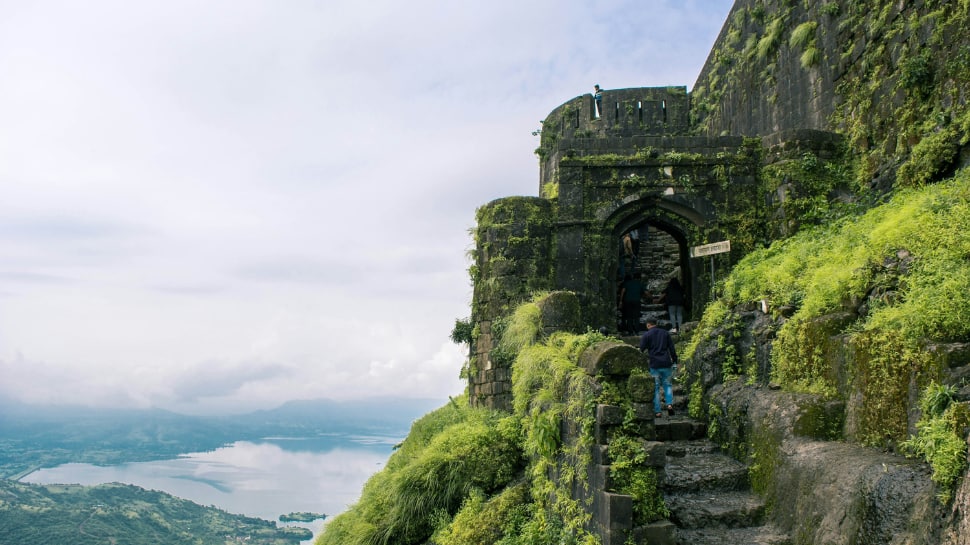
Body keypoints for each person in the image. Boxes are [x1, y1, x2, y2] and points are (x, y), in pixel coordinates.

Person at [639, 318, 678, 417]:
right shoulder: (665, 333)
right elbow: (672, 348)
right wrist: (674, 360)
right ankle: (669, 404)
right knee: (668, 385)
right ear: (656, 324)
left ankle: (658, 411)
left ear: (648, 325)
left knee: (656, 388)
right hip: (666, 363)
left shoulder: (646, 335)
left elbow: (641, 349)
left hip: (654, 364)